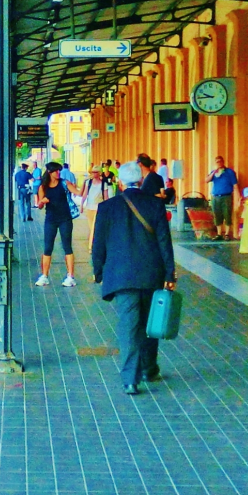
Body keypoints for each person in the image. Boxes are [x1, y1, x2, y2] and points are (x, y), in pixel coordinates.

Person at [91, 162, 176, 395]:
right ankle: (149, 369)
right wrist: (170, 273)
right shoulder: (155, 204)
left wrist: (98, 270)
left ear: (120, 182)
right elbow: (164, 242)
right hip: (151, 273)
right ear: (140, 180)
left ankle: (130, 379)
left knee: (129, 326)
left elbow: (98, 243)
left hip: (121, 276)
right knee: (150, 323)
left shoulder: (107, 207)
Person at [35, 162, 81, 287]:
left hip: (65, 219)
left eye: (59, 170)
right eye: (56, 171)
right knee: (47, 247)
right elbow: (39, 205)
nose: (58, 173)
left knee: (67, 246)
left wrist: (87, 184)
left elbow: (78, 193)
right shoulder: (43, 187)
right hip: (50, 219)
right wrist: (42, 202)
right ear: (50, 172)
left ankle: (70, 276)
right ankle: (44, 276)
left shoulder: (64, 183)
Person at [206, 156, 238, 240]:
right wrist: (214, 172)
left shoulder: (229, 172)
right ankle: (219, 233)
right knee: (216, 214)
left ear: (223, 162)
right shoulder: (214, 172)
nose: (219, 163)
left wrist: (238, 196)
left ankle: (227, 233)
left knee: (227, 213)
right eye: (217, 162)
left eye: (220, 161)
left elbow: (235, 185)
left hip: (226, 196)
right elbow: (207, 180)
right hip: (215, 196)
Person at [81, 166, 106, 253]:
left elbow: (106, 197)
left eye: (95, 172)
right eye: (92, 172)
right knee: (91, 227)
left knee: (94, 228)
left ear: (99, 173)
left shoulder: (103, 184)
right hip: (89, 208)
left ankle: (91, 246)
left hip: (98, 208)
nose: (93, 174)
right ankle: (95, 244)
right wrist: (81, 205)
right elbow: (85, 194)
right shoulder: (89, 182)